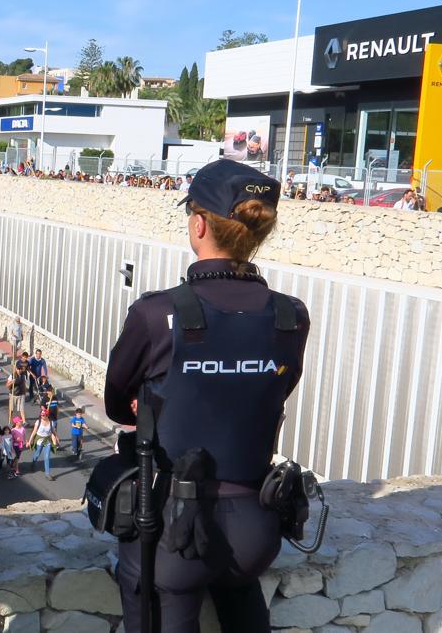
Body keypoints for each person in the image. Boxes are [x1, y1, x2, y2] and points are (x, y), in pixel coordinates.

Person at [105, 159, 310, 633]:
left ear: (198, 225)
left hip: (172, 530)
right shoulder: (290, 316)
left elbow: (118, 402)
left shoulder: (158, 313)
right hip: (256, 528)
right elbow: (277, 387)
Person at [27, 411, 55, 480]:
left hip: (47, 441)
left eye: (44, 415)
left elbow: (52, 433)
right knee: (37, 454)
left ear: (47, 415)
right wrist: (30, 441)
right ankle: (33, 464)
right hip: (39, 441)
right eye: (41, 415)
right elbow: (34, 432)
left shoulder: (51, 422)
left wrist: (54, 442)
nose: (42, 416)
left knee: (47, 457)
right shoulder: (38, 422)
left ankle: (47, 474)